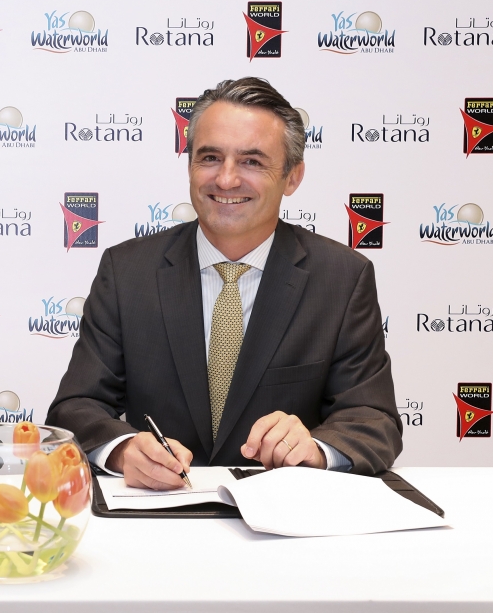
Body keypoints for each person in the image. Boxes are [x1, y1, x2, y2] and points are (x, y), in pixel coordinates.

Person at [46, 77, 401, 489]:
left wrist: (315, 449)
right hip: (158, 511)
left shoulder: (342, 277)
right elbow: (76, 407)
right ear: (190, 166)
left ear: (292, 177)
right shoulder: (127, 272)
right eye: (210, 157)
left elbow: (373, 420)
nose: (227, 180)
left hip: (283, 514)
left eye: (252, 162)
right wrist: (123, 450)